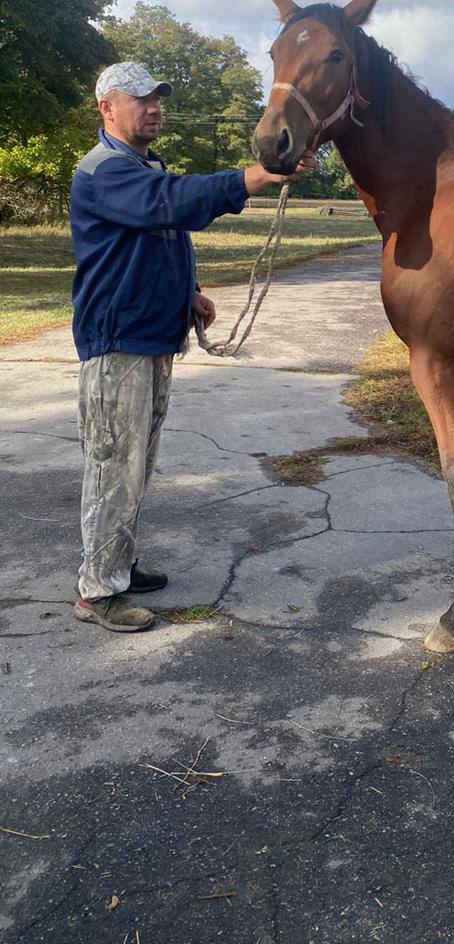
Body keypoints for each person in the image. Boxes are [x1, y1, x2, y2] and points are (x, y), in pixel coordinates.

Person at [69, 61, 309, 632]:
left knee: (136, 465)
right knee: (114, 466)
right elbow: (171, 202)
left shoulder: (142, 166)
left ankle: (117, 564)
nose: (154, 108)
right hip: (117, 343)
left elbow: (160, 237)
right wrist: (254, 177)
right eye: (140, 99)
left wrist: (190, 292)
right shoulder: (105, 171)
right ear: (107, 108)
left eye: (157, 98)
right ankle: (98, 591)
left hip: (150, 335)